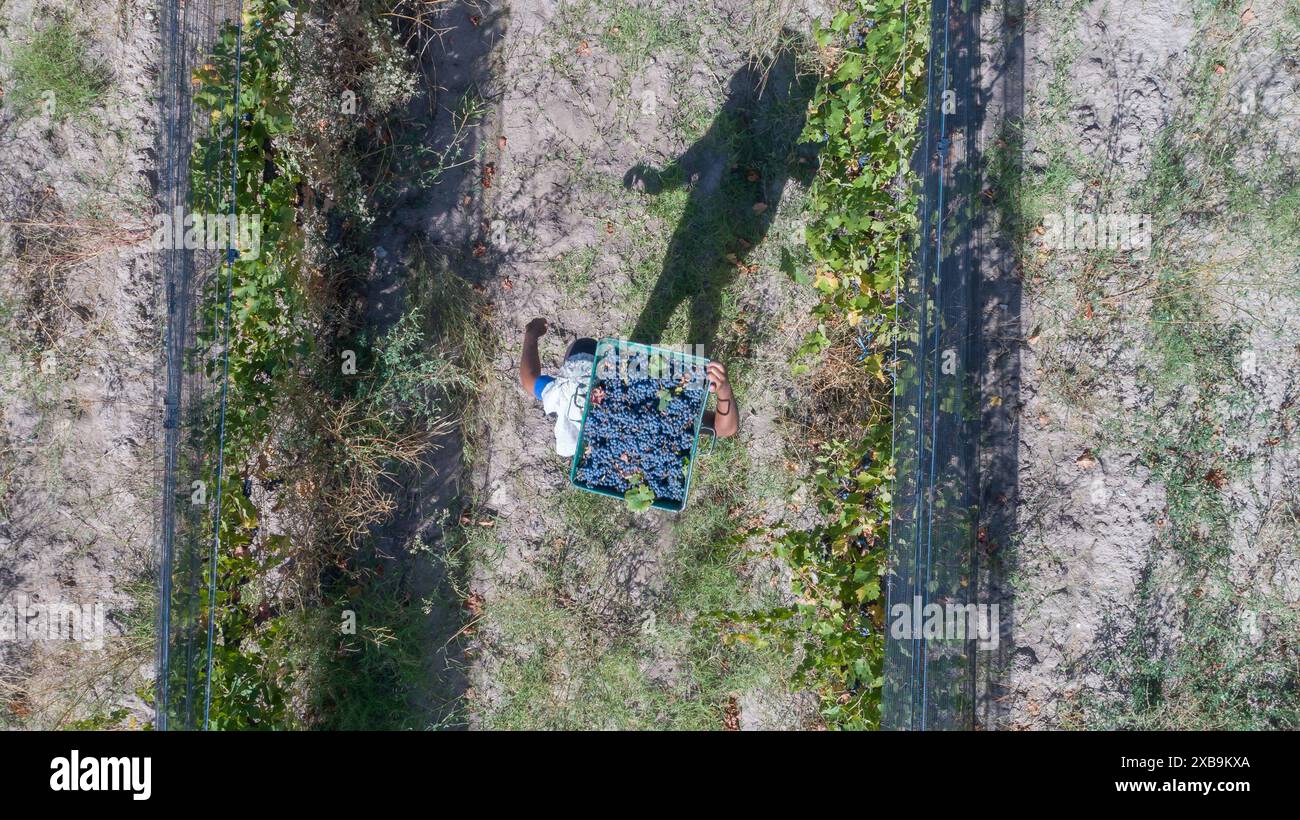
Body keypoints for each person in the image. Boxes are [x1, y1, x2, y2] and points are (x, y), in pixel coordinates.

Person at [518, 318, 738, 457]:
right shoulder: (655, 408)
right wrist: (723, 391)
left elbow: (529, 379)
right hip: (642, 384)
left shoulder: (565, 395)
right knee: (671, 370)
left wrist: (531, 334)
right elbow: (725, 429)